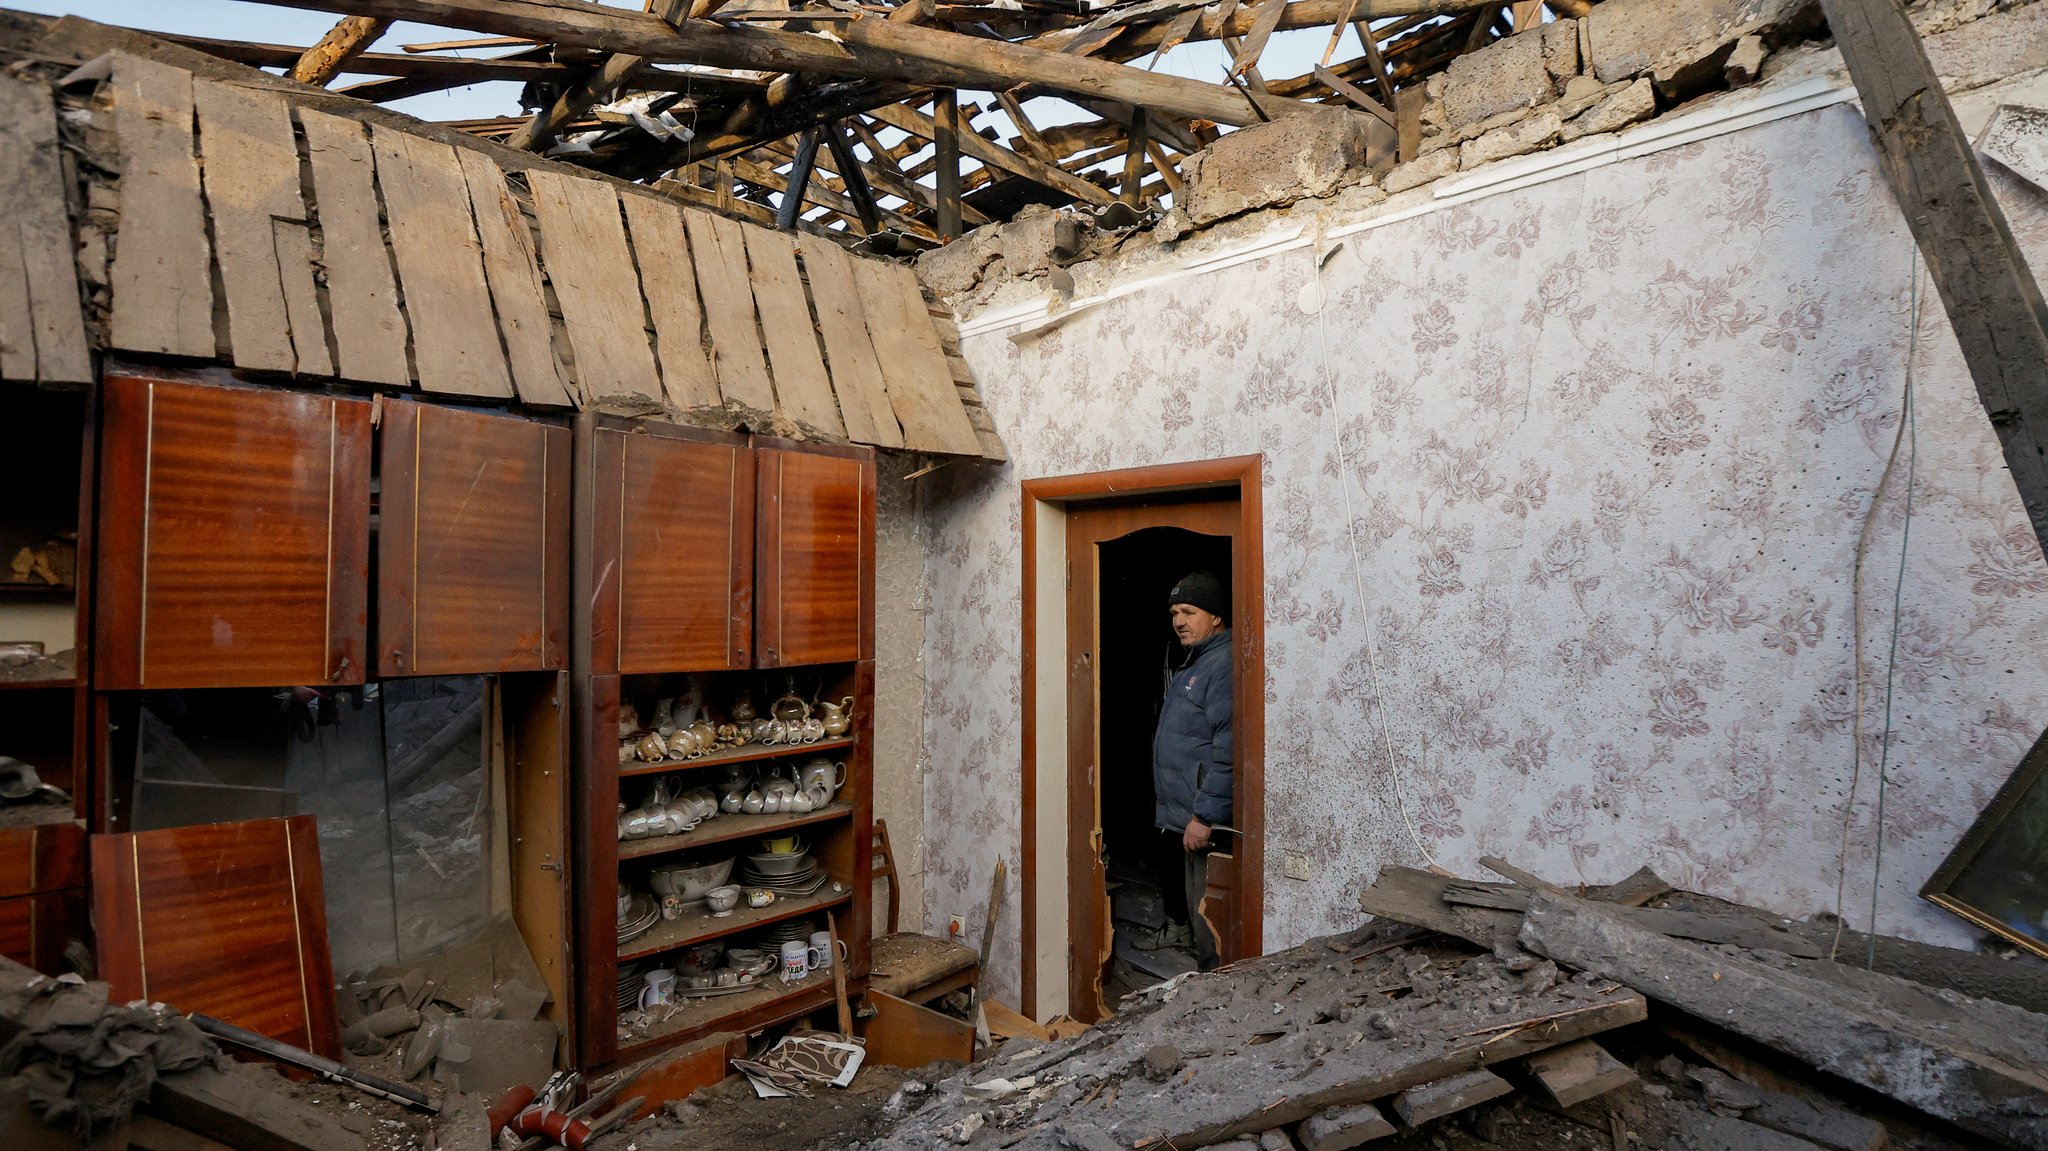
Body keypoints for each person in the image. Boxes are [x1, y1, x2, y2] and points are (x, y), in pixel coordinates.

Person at [1151, 569, 1232, 972]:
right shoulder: (1195, 661)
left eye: (1189, 611)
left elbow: (1230, 749)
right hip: (1186, 815)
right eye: (1174, 613)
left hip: (1203, 819)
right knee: (1196, 911)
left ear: (1215, 616)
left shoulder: (1222, 665)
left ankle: (1213, 1002)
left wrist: (1205, 817)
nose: (1178, 621)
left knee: (1210, 926)